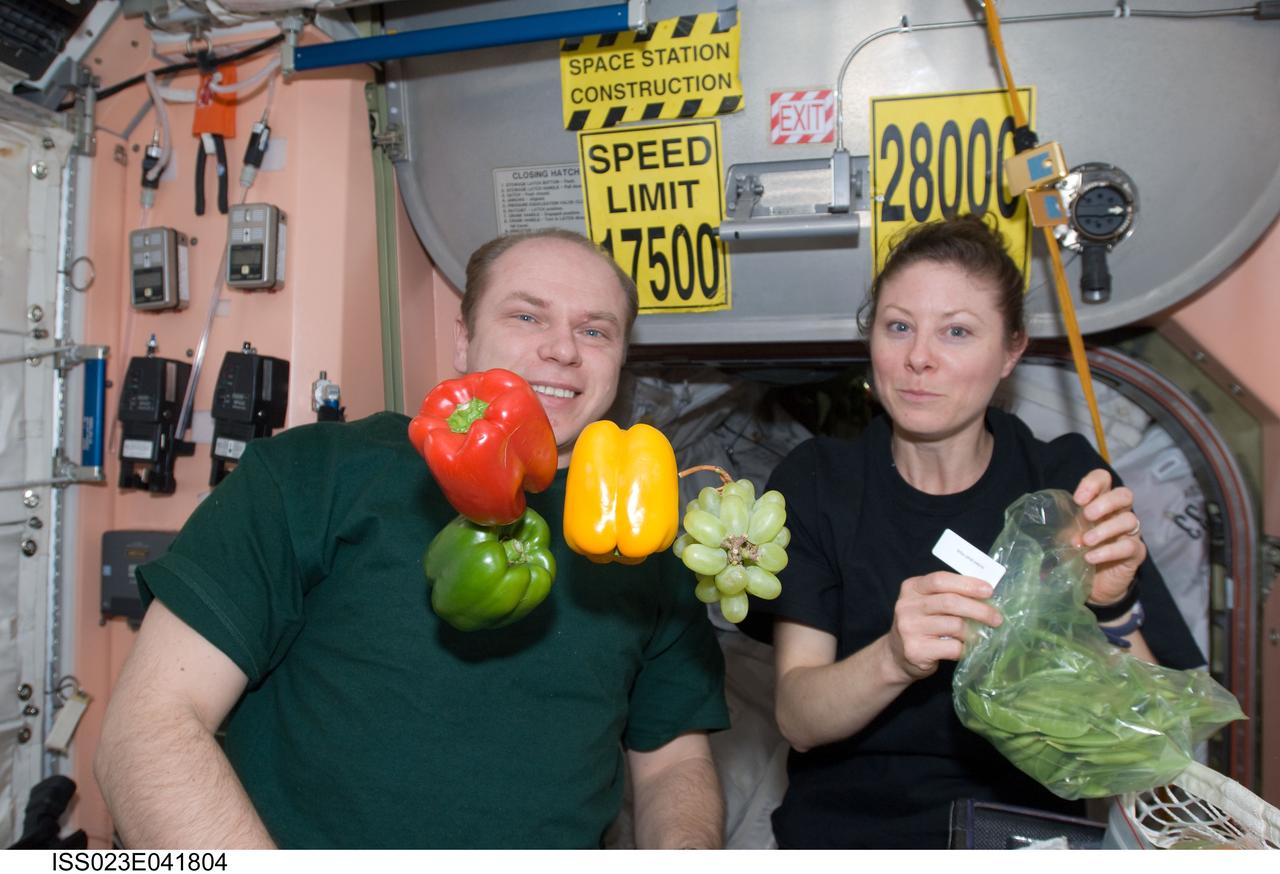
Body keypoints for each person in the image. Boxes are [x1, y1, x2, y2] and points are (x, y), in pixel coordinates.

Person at [94, 229, 729, 849]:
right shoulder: (312, 474)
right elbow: (148, 727)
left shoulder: (650, 536)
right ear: (463, 338)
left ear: (619, 362)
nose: (564, 350)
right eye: (528, 317)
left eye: (595, 331)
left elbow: (672, 761)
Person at [743, 215, 1204, 849]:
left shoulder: (1064, 482)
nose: (918, 358)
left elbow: (1150, 747)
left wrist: (1115, 606)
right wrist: (893, 658)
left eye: (956, 332)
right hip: (849, 837)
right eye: (897, 326)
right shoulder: (820, 481)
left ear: (1011, 350)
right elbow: (799, 718)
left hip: (1027, 839)